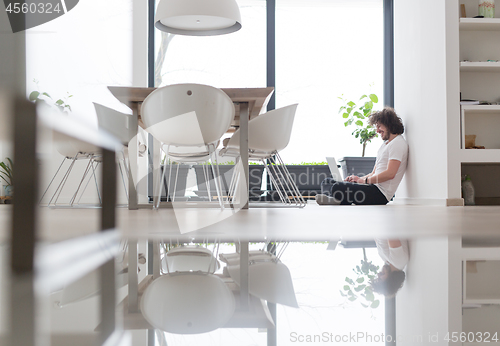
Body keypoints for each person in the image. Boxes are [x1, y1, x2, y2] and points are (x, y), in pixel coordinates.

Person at [316, 107, 408, 205]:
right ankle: (337, 199)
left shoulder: (398, 143)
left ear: (388, 124)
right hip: (372, 187)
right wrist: (357, 180)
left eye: (379, 126)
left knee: (337, 187)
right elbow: (373, 173)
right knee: (327, 182)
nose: (377, 131)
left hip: (380, 194)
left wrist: (364, 181)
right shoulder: (385, 145)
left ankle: (335, 199)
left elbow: (390, 174)